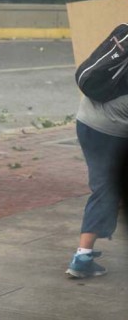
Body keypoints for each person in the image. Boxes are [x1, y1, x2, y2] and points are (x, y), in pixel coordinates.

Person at [66, 94, 128, 278]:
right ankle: (82, 258)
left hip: (86, 120)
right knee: (106, 189)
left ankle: (84, 255)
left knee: (105, 187)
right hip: (111, 130)